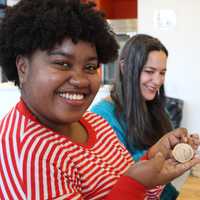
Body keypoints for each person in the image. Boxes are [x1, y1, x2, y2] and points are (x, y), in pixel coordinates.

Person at [0, 1, 199, 199]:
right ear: (22, 67)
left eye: (89, 67)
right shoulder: (23, 152)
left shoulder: (96, 124)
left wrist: (154, 158)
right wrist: (136, 184)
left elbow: (128, 183)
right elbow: (131, 185)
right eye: (62, 63)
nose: (79, 80)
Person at [91, 34, 199, 199]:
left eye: (162, 73)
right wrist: (161, 153)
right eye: (149, 71)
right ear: (125, 67)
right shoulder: (102, 116)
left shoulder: (156, 107)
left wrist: (180, 146)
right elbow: (115, 177)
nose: (157, 81)